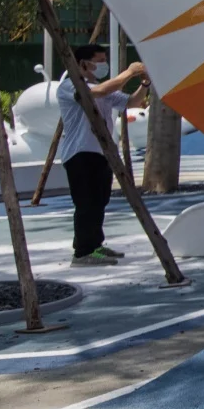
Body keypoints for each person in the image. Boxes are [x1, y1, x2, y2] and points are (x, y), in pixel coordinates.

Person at [55, 44, 147, 264]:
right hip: (79, 153)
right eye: (99, 60)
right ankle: (83, 252)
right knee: (86, 202)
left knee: (100, 201)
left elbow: (132, 102)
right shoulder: (70, 86)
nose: (103, 65)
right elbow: (99, 92)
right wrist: (130, 72)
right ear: (83, 64)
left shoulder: (101, 87)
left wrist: (145, 82)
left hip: (101, 152)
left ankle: (95, 245)